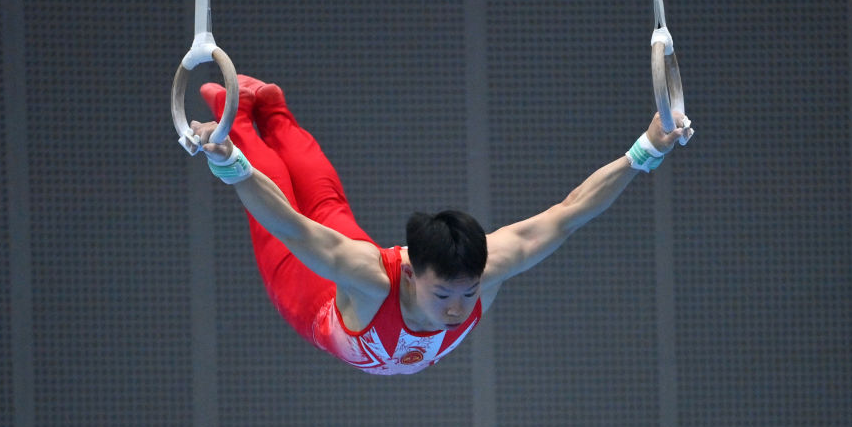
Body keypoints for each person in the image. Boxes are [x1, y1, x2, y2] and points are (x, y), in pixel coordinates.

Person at [187, 75, 693, 374]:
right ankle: (240, 119)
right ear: (409, 274)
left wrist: (644, 152)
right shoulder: (370, 278)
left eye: (468, 293)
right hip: (313, 297)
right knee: (300, 212)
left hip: (345, 285)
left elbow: (568, 214)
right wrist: (231, 165)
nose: (457, 308)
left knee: (325, 201)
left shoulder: (490, 269)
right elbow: (290, 228)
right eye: (444, 294)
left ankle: (270, 104)